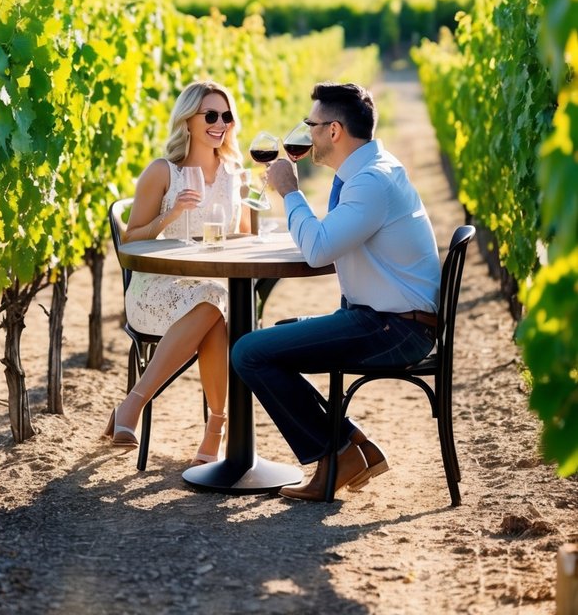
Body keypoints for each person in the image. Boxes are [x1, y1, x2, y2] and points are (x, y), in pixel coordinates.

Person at [232, 81, 440, 501]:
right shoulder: (366, 172)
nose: (306, 132)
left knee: (250, 352)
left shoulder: (370, 182)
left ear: (334, 131)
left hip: (394, 328)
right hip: (382, 318)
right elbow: (329, 239)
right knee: (279, 337)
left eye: (312, 124)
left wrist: (290, 191)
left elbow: (319, 249)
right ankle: (349, 446)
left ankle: (341, 453)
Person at [104, 79, 250, 464]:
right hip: (156, 287)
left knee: (214, 303)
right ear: (188, 121)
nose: (221, 123)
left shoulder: (237, 175)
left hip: (209, 288)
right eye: (211, 115)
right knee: (214, 306)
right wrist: (172, 215)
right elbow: (131, 238)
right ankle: (215, 426)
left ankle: (133, 406)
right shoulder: (162, 172)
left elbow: (246, 239)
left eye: (227, 115)